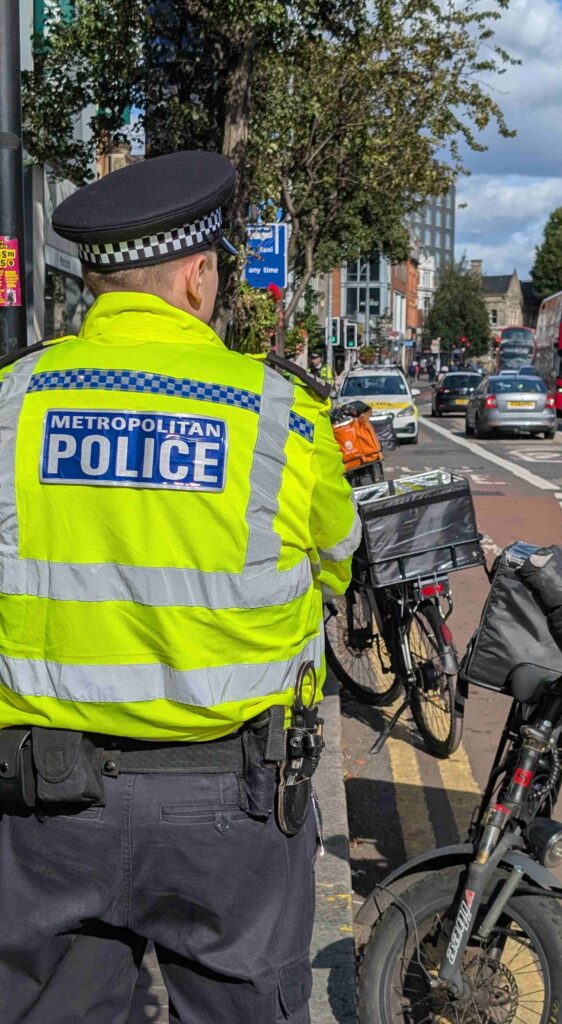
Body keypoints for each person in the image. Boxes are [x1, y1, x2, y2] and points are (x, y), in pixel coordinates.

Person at [0, 150, 360, 1024]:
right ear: (198, 276)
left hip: (45, 805)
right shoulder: (277, 413)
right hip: (231, 810)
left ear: (94, 280)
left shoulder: (12, 404)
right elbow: (338, 559)